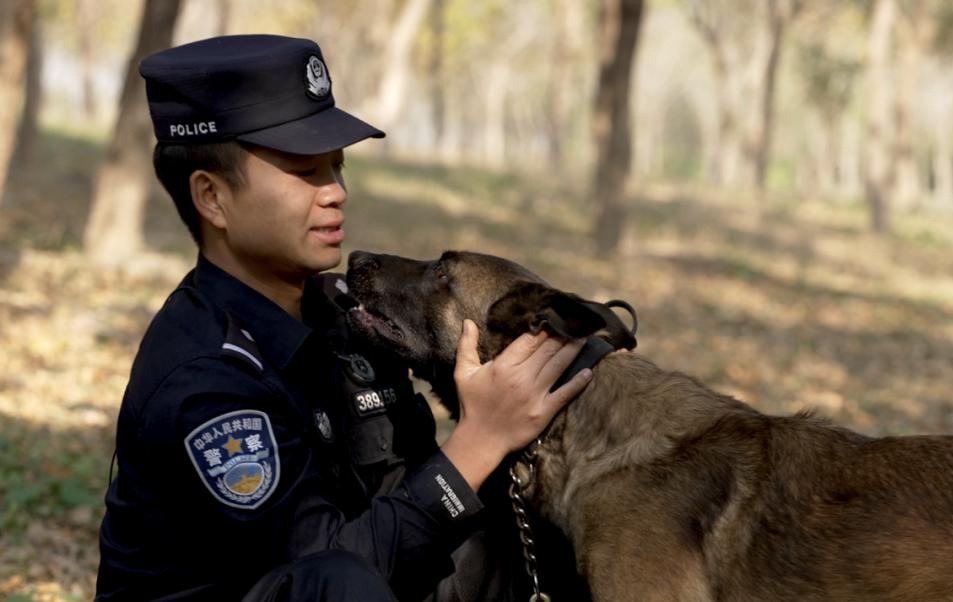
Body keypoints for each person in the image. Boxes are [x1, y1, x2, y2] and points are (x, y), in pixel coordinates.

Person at [94, 34, 591, 601]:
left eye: (338, 166)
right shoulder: (205, 382)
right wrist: (480, 439)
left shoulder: (340, 312)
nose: (335, 192)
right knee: (340, 578)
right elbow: (333, 572)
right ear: (212, 198)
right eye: (306, 171)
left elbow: (413, 503)